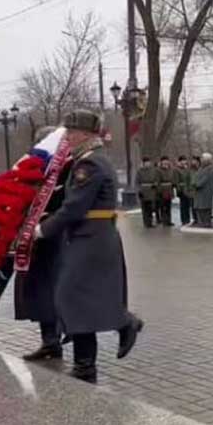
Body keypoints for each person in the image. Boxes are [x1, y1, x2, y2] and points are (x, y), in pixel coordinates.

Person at [35, 110, 142, 384]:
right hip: (88, 237)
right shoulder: (88, 160)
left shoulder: (90, 165)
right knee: (75, 299)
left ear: (86, 134)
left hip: (91, 239)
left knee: (71, 297)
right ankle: (86, 364)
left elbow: (74, 208)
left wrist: (42, 229)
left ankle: (121, 327)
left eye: (71, 132)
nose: (67, 137)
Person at [15, 126, 71, 361]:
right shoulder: (37, 170)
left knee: (55, 291)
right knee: (39, 293)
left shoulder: (68, 167)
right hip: (37, 241)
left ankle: (60, 334)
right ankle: (49, 341)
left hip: (56, 238)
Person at [193, 153, 213, 227]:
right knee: (199, 209)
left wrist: (195, 184)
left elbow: (202, 181)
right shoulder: (201, 168)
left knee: (204, 209)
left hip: (205, 193)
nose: (201, 160)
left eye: (202, 159)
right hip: (200, 193)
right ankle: (201, 223)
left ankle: (205, 224)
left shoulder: (209, 169)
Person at [136, 157, 159, 228]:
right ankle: (146, 222)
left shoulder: (153, 171)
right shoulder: (139, 171)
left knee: (151, 208)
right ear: (143, 163)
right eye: (146, 162)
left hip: (151, 191)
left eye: (148, 162)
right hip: (143, 191)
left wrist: (155, 184)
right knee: (145, 208)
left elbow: (156, 179)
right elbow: (137, 182)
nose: (147, 164)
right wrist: (139, 191)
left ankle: (150, 221)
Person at [156, 156, 176, 227]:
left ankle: (169, 220)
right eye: (164, 161)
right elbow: (157, 182)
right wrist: (159, 191)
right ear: (161, 162)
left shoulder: (171, 170)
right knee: (163, 206)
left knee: (168, 206)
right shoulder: (158, 170)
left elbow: (173, 179)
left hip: (169, 190)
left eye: (166, 161)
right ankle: (164, 220)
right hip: (162, 190)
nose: (165, 162)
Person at [175, 156, 194, 226]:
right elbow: (176, 181)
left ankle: (188, 219)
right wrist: (178, 190)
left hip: (187, 189)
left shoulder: (187, 169)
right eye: (183, 161)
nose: (184, 162)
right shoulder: (177, 170)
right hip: (181, 188)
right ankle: (183, 220)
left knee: (187, 205)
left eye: (185, 160)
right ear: (179, 162)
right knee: (183, 205)